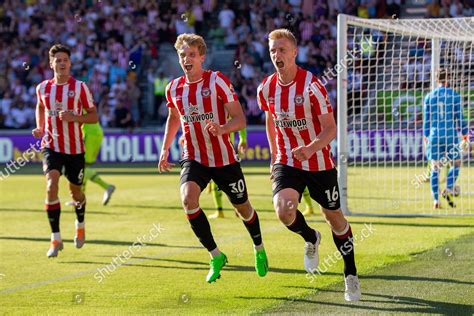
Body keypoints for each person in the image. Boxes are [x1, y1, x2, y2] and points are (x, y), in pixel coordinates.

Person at [257, 29, 360, 301]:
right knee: (284, 210)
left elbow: (330, 129)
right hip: (287, 160)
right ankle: (310, 238)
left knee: (335, 219)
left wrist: (311, 148)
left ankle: (350, 273)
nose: (276, 55)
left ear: (294, 52)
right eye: (272, 51)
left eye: (281, 50)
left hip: (318, 161)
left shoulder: (312, 85)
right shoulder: (266, 88)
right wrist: (274, 154)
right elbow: (269, 120)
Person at [158, 33, 268, 283]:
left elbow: (240, 119)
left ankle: (259, 248)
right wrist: (165, 148)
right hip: (194, 157)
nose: (186, 59)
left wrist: (223, 129)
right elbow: (174, 117)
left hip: (224, 159)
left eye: (191, 55)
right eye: (182, 55)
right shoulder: (173, 88)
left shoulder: (217, 81)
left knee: (243, 208)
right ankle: (215, 255)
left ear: (202, 57)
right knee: (188, 199)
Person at [32, 44, 98, 257]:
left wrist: (74, 118)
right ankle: (55, 238)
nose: (62, 64)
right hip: (51, 146)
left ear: (70, 63)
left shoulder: (80, 88)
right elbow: (40, 106)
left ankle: (80, 224)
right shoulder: (42, 88)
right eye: (58, 60)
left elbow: (93, 116)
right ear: (51, 64)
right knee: (51, 185)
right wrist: (41, 126)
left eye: (65, 60)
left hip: (75, 149)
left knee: (76, 192)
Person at [423, 68, 469, 209]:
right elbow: (460, 118)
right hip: (450, 134)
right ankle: (449, 187)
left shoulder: (429, 97)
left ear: (436, 80)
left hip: (434, 135)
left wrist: (426, 136)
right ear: (448, 78)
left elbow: (426, 120)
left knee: (435, 168)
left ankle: (436, 200)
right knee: (456, 163)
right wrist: (465, 134)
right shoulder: (454, 96)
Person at [208, 128, 247, 219]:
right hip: (227, 151)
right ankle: (238, 207)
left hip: (221, 151)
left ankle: (220, 211)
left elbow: (239, 118)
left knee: (216, 180)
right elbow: (240, 118)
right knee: (232, 180)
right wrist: (243, 139)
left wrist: (243, 139)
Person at [80, 119, 116, 205]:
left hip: (89, 134)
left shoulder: (78, 105)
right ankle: (80, 198)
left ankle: (79, 199)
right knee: (82, 167)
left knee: (80, 166)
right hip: (95, 132)